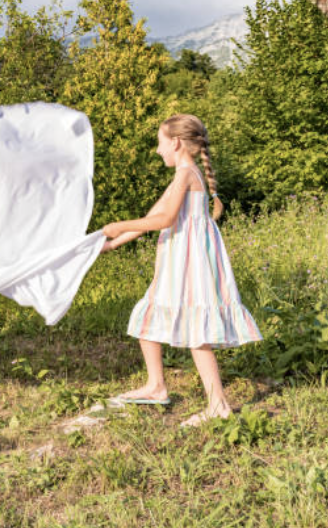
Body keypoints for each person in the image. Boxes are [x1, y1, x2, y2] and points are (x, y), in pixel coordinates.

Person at [101, 114, 262, 427]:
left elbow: (164, 220)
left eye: (160, 143)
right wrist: (112, 243)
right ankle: (156, 386)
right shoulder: (186, 174)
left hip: (190, 262)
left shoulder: (186, 173)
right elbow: (155, 213)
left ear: (175, 142)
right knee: (147, 315)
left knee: (195, 329)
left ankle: (218, 405)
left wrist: (116, 225)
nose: (158, 150)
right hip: (180, 259)